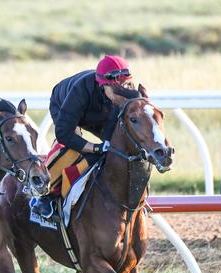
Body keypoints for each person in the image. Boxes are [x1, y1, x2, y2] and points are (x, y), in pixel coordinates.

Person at [31, 55, 140, 218]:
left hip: (99, 112)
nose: (120, 95)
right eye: (116, 88)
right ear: (103, 84)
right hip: (64, 103)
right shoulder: (81, 89)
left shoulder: (123, 94)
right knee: (73, 148)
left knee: (112, 150)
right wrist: (95, 147)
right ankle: (44, 197)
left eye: (124, 86)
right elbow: (63, 134)